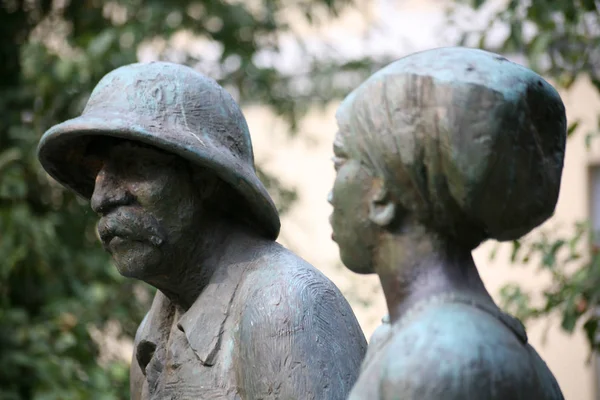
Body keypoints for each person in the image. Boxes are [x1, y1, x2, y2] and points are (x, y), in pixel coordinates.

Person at [38, 61, 366, 400]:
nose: (101, 198)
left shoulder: (286, 307)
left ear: (206, 179)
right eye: (97, 175)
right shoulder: (152, 333)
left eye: (134, 166)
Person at [328, 47, 566, 399]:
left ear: (383, 195)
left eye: (340, 162)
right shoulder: (423, 340)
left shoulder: (440, 356)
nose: (331, 195)